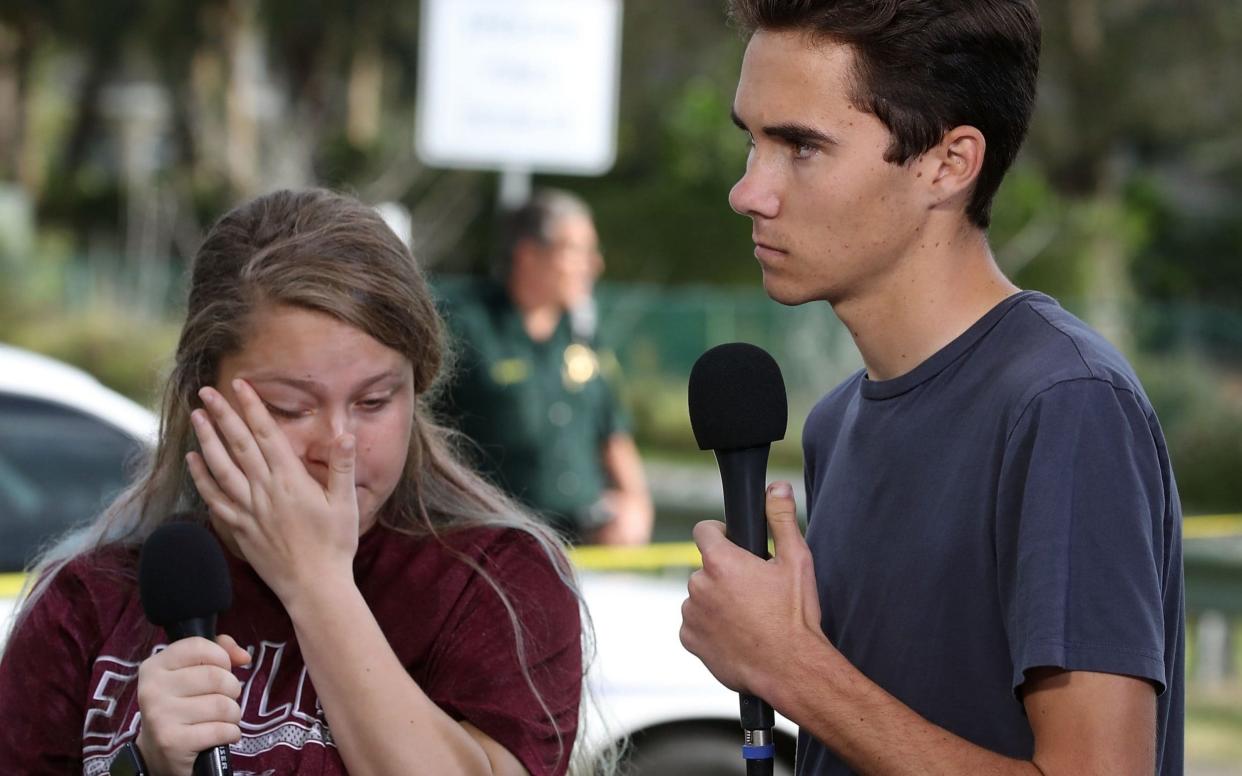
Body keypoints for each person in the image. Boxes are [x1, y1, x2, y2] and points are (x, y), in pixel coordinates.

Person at [679, 3, 1183, 775]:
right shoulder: (837, 422)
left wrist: (793, 669)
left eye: (802, 147)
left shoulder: (1066, 405)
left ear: (950, 164)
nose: (749, 192)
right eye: (753, 142)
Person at [0, 189, 584, 775]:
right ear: (200, 396)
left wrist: (315, 581)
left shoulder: (495, 582)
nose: (339, 446)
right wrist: (143, 765)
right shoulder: (89, 601)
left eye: (375, 401)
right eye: (288, 408)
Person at [440, 189, 653, 546]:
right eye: (577, 251)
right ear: (528, 255)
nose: (594, 264)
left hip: (585, 542)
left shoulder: (581, 333)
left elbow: (612, 430)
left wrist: (636, 505)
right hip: (492, 540)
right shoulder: (465, 326)